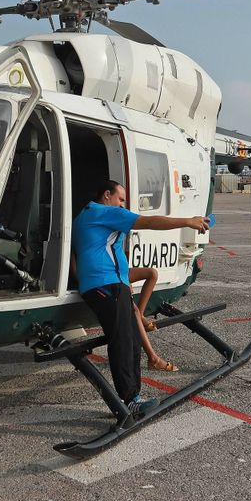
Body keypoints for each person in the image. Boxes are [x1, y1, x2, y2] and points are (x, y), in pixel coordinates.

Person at [71, 179, 210, 421]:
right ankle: (131, 401)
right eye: (121, 199)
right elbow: (149, 222)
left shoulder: (84, 215)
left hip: (101, 285)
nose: (123, 205)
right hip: (108, 285)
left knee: (129, 337)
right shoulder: (105, 212)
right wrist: (188, 221)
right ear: (107, 195)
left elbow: (76, 254)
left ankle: (133, 396)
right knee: (124, 340)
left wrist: (82, 279)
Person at [130, 266, 176, 372]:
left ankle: (141, 315)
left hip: (115, 271)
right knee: (133, 312)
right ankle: (153, 359)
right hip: (106, 274)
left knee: (152, 273)